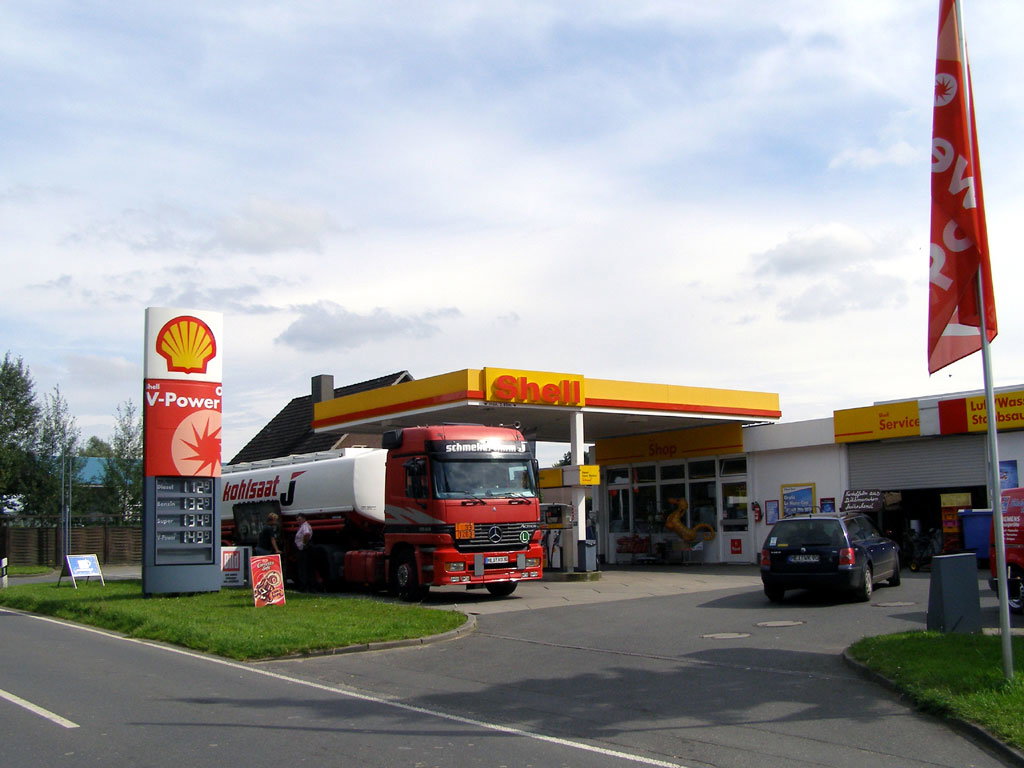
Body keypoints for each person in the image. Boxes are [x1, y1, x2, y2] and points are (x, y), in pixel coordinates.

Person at [294, 513, 314, 591]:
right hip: (303, 548)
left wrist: (303, 544)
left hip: (304, 549)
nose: (298, 521)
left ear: (304, 519)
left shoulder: (305, 526)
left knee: (303, 567)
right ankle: (307, 585)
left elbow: (307, 534)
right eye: (297, 520)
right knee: (305, 567)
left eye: (299, 519)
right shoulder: (302, 526)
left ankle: (304, 586)